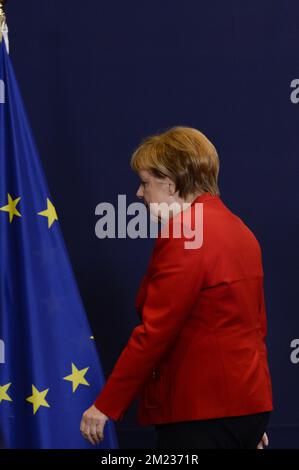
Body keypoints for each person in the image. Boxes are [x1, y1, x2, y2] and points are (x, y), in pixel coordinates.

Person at [80, 126, 273, 449]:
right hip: (246, 408)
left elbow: (156, 331)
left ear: (170, 183)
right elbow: (255, 325)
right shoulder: (240, 229)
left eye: (145, 183)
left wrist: (105, 405)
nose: (139, 194)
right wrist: (244, 419)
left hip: (200, 412)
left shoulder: (186, 232)